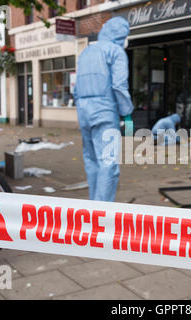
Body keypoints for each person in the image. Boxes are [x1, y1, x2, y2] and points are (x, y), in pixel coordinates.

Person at [74, 17, 134, 202]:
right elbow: (118, 85)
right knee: (108, 162)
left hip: (83, 112)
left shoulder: (86, 52)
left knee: (91, 160)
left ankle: (94, 204)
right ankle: (103, 211)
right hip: (104, 111)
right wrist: (127, 112)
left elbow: (76, 88)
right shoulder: (116, 52)